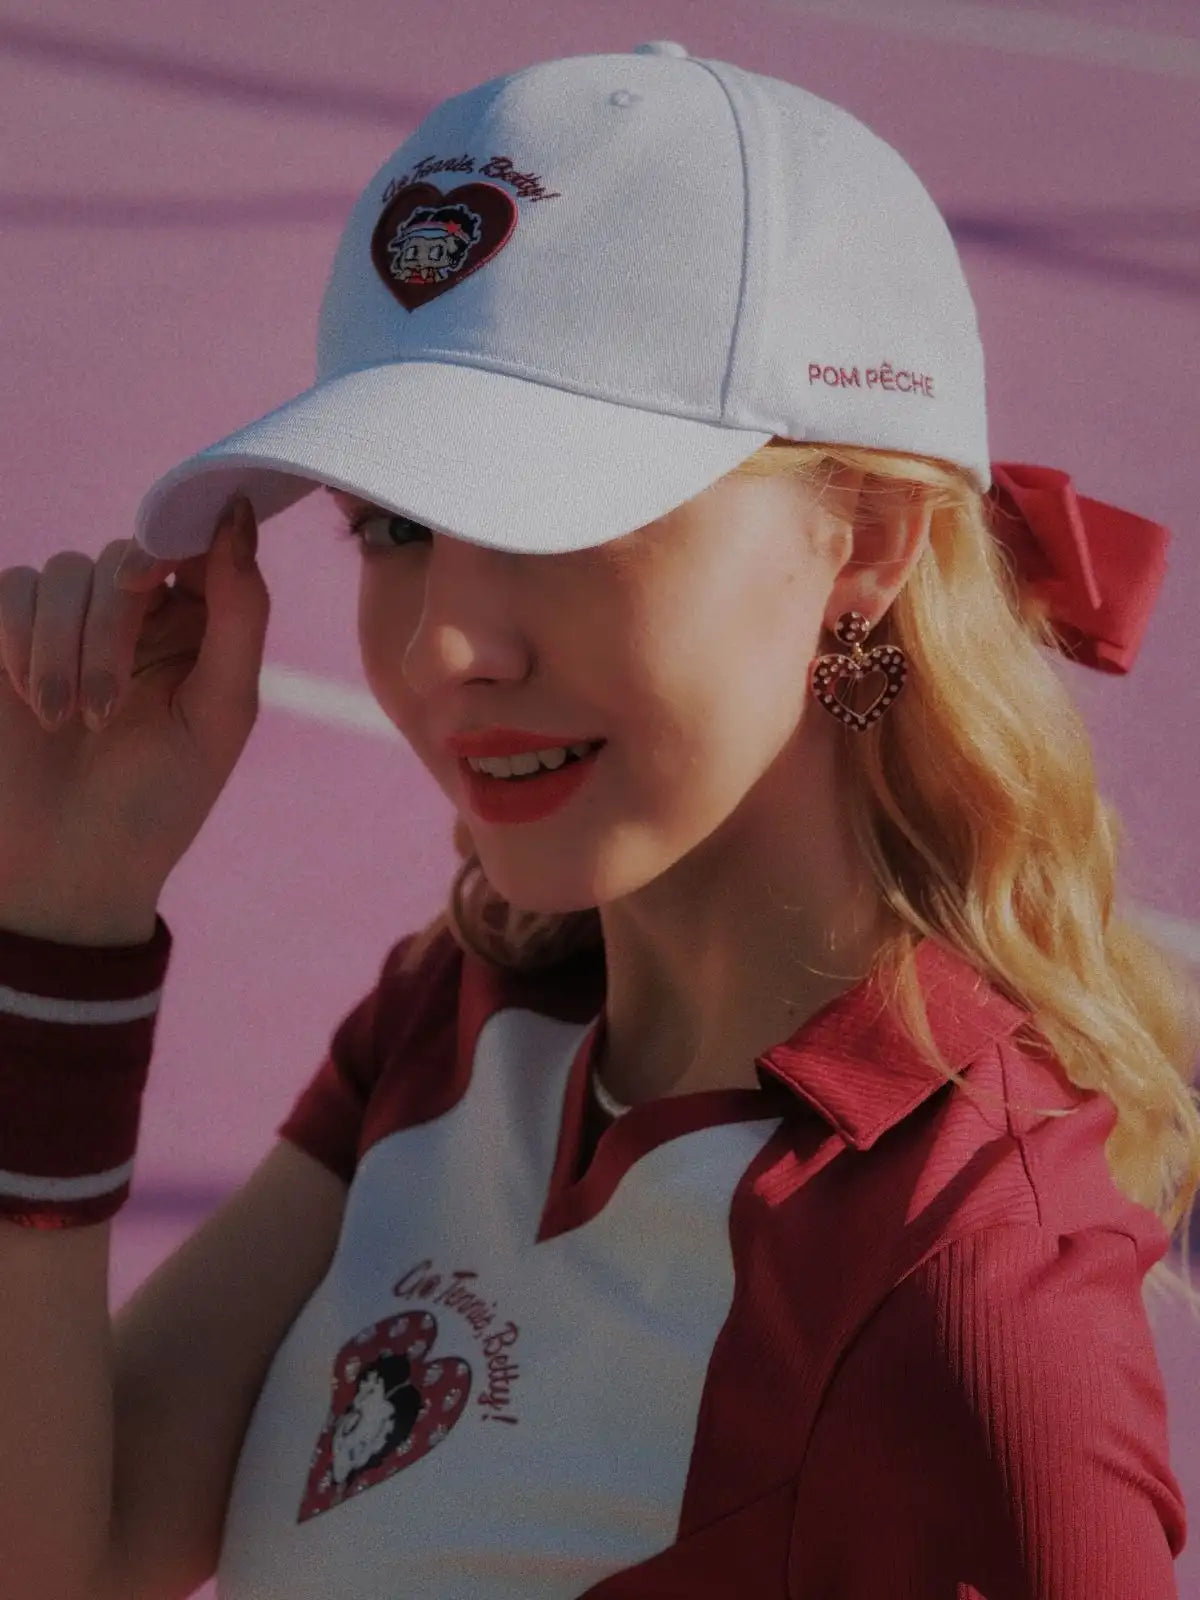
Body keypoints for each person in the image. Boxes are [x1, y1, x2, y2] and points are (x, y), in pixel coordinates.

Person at [0, 38, 1195, 1600]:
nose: (440, 646)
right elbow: (64, 1558)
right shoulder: (460, 1008)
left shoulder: (962, 1289)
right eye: (396, 525)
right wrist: (59, 931)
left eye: (560, 518)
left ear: (871, 545)